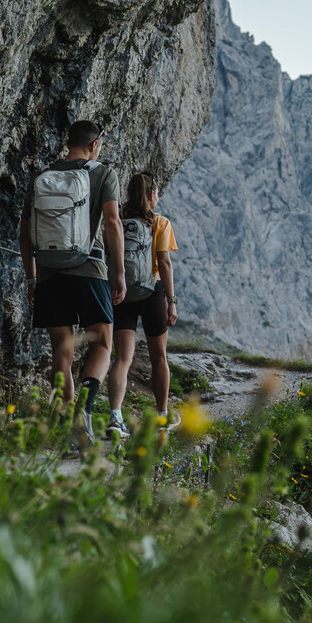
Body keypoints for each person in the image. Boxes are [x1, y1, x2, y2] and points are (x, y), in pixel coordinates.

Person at [19, 120, 125, 440]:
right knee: (103, 344)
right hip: (89, 271)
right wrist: (119, 272)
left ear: (69, 142)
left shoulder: (41, 177)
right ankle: (85, 410)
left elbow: (25, 233)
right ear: (94, 145)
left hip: (50, 274)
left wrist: (31, 278)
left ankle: (69, 424)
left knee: (60, 353)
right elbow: (112, 221)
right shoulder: (103, 173)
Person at [106, 171, 179, 437]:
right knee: (159, 357)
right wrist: (171, 301)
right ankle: (161, 417)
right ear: (151, 195)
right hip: (153, 294)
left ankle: (115, 417)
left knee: (122, 359)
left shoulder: (119, 222)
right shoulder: (159, 223)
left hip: (122, 294)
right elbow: (165, 264)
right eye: (156, 192)